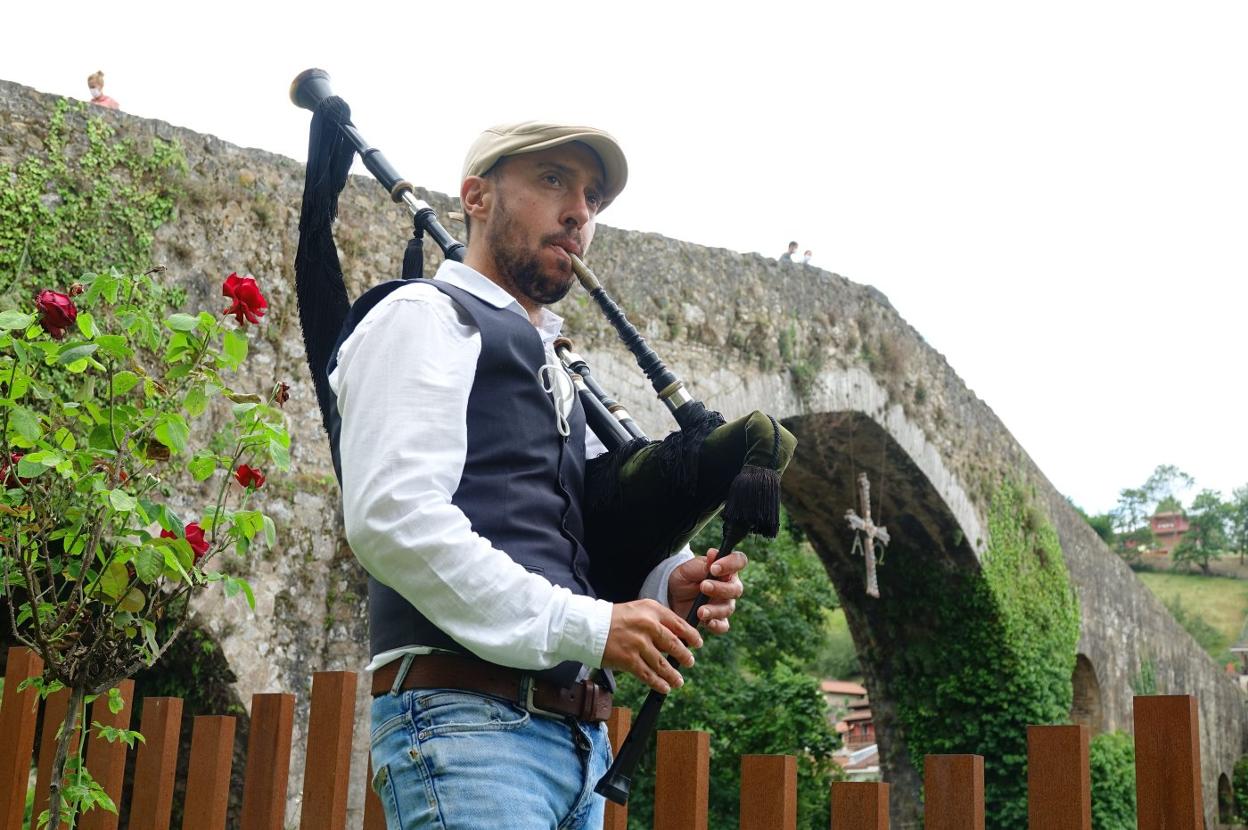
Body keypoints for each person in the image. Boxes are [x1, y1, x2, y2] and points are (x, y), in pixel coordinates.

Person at [328, 122, 749, 829]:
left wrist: (659, 587)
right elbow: (393, 519)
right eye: (553, 180)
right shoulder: (424, 318)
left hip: (577, 746)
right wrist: (590, 627)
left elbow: (563, 545)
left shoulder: (551, 365)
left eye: (592, 197)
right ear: (477, 197)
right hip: (467, 729)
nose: (579, 211)